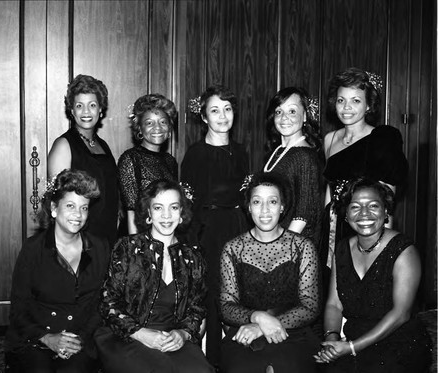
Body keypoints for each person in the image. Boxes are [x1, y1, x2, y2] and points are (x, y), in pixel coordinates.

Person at [94, 179, 214, 373]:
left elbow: (197, 308)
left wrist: (182, 334)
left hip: (171, 340)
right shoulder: (127, 248)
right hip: (126, 337)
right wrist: (140, 333)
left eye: (173, 207)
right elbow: (108, 302)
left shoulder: (193, 257)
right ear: (148, 213)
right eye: (158, 208)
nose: (166, 215)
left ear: (182, 213)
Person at [314, 177, 431, 372]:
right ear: (346, 214)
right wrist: (332, 339)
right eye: (355, 207)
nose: (364, 213)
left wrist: (351, 348)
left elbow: (401, 314)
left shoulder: (404, 251)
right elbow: (334, 304)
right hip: (352, 339)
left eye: (373, 205)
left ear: (386, 212)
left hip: (397, 342)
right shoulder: (341, 250)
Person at [5, 169, 109, 373]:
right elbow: (19, 307)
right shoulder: (33, 249)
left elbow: (102, 302)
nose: (78, 215)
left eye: (84, 208)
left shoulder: (100, 247)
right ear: (54, 208)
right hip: (35, 336)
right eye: (70, 206)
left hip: (81, 337)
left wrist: (79, 338)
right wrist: (47, 338)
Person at [219, 171, 320, 373]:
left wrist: (264, 325)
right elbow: (226, 307)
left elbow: (309, 306)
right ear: (248, 207)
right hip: (245, 332)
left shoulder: (302, 246)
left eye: (272, 202)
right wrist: (257, 317)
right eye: (257, 202)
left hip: (293, 332)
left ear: (282, 206)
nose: (265, 210)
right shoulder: (233, 248)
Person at [181, 85, 250, 367]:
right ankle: (209, 363)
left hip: (238, 229)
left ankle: (236, 360)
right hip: (207, 233)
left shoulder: (242, 151)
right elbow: (188, 206)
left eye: (227, 109)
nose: (222, 116)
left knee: (236, 295)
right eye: (214, 110)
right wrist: (193, 244)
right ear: (204, 117)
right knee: (210, 297)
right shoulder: (196, 154)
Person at [320, 67, 408, 275]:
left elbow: (387, 200)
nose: (346, 107)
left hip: (366, 224)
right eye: (341, 100)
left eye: (356, 101)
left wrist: (382, 244)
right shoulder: (329, 139)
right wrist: (326, 228)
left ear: (369, 105)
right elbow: (329, 187)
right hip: (335, 227)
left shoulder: (381, 140)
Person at [48, 74, 119, 247]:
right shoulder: (63, 145)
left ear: (100, 110)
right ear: (72, 111)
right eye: (80, 106)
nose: (86, 112)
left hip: (107, 237)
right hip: (79, 240)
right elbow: (60, 202)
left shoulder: (103, 145)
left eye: (92, 105)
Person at [263, 86, 323, 246]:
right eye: (278, 112)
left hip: (294, 245)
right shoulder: (276, 152)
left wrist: (279, 247)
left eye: (292, 111)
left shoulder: (304, 156)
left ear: (304, 116)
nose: (284, 118)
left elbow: (303, 214)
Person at [118, 93, 178, 234]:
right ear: (139, 128)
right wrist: (136, 248)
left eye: (163, 122)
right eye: (149, 123)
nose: (157, 128)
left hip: (164, 234)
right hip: (138, 237)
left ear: (169, 128)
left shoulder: (170, 161)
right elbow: (131, 211)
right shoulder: (130, 159)